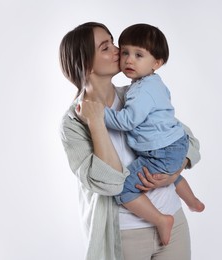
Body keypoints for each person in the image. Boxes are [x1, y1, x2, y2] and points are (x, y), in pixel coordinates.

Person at [59, 22, 201, 260]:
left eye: (113, 42)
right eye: (106, 47)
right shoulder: (73, 122)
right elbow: (111, 184)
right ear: (84, 63)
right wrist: (95, 122)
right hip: (125, 234)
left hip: (174, 222)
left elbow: (186, 139)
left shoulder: (136, 94)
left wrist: (173, 171)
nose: (118, 50)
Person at [103, 23, 204, 245]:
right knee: (171, 174)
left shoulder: (141, 92)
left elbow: (127, 121)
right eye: (126, 52)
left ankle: (161, 220)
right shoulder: (154, 84)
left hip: (161, 151)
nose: (129, 60)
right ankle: (193, 201)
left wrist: (99, 114)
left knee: (124, 187)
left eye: (139, 55)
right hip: (175, 145)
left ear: (156, 63)